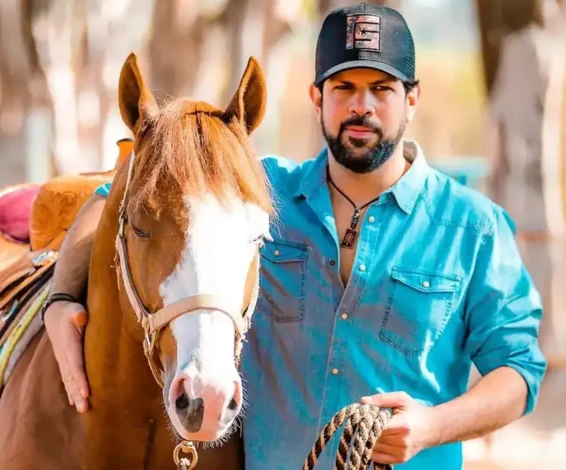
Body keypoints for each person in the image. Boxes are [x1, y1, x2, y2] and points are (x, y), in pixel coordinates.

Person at [41, 3, 548, 469]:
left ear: (412, 98)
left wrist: (434, 426)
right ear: (316, 97)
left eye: (382, 88)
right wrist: (62, 298)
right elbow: (115, 196)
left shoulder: (474, 228)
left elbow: (518, 371)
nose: (362, 106)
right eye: (344, 88)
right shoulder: (255, 194)